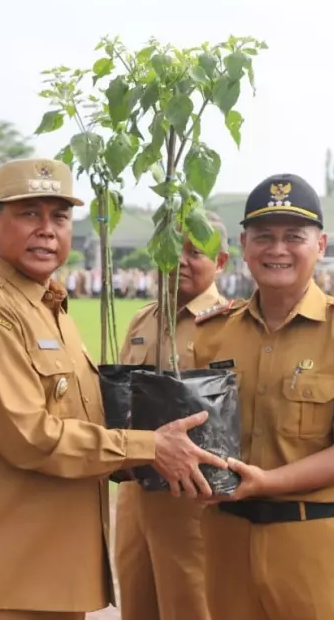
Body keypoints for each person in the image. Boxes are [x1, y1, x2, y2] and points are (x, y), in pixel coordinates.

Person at [0, 157, 228, 620]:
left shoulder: (51, 308)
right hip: (2, 575)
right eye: (29, 213)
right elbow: (30, 436)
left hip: (51, 570)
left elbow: (81, 421)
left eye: (59, 217)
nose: (46, 230)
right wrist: (150, 447)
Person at [191, 173, 334, 620]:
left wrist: (270, 483)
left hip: (316, 542)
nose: (278, 249)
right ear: (245, 246)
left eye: (294, 236)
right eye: (264, 236)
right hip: (227, 540)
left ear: (321, 245)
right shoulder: (213, 333)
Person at [114, 216, 231, 620]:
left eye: (195, 252)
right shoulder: (143, 320)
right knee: (136, 596)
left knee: (189, 603)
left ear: (221, 262)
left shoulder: (229, 322)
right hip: (134, 489)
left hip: (191, 496)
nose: (180, 261)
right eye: (170, 250)